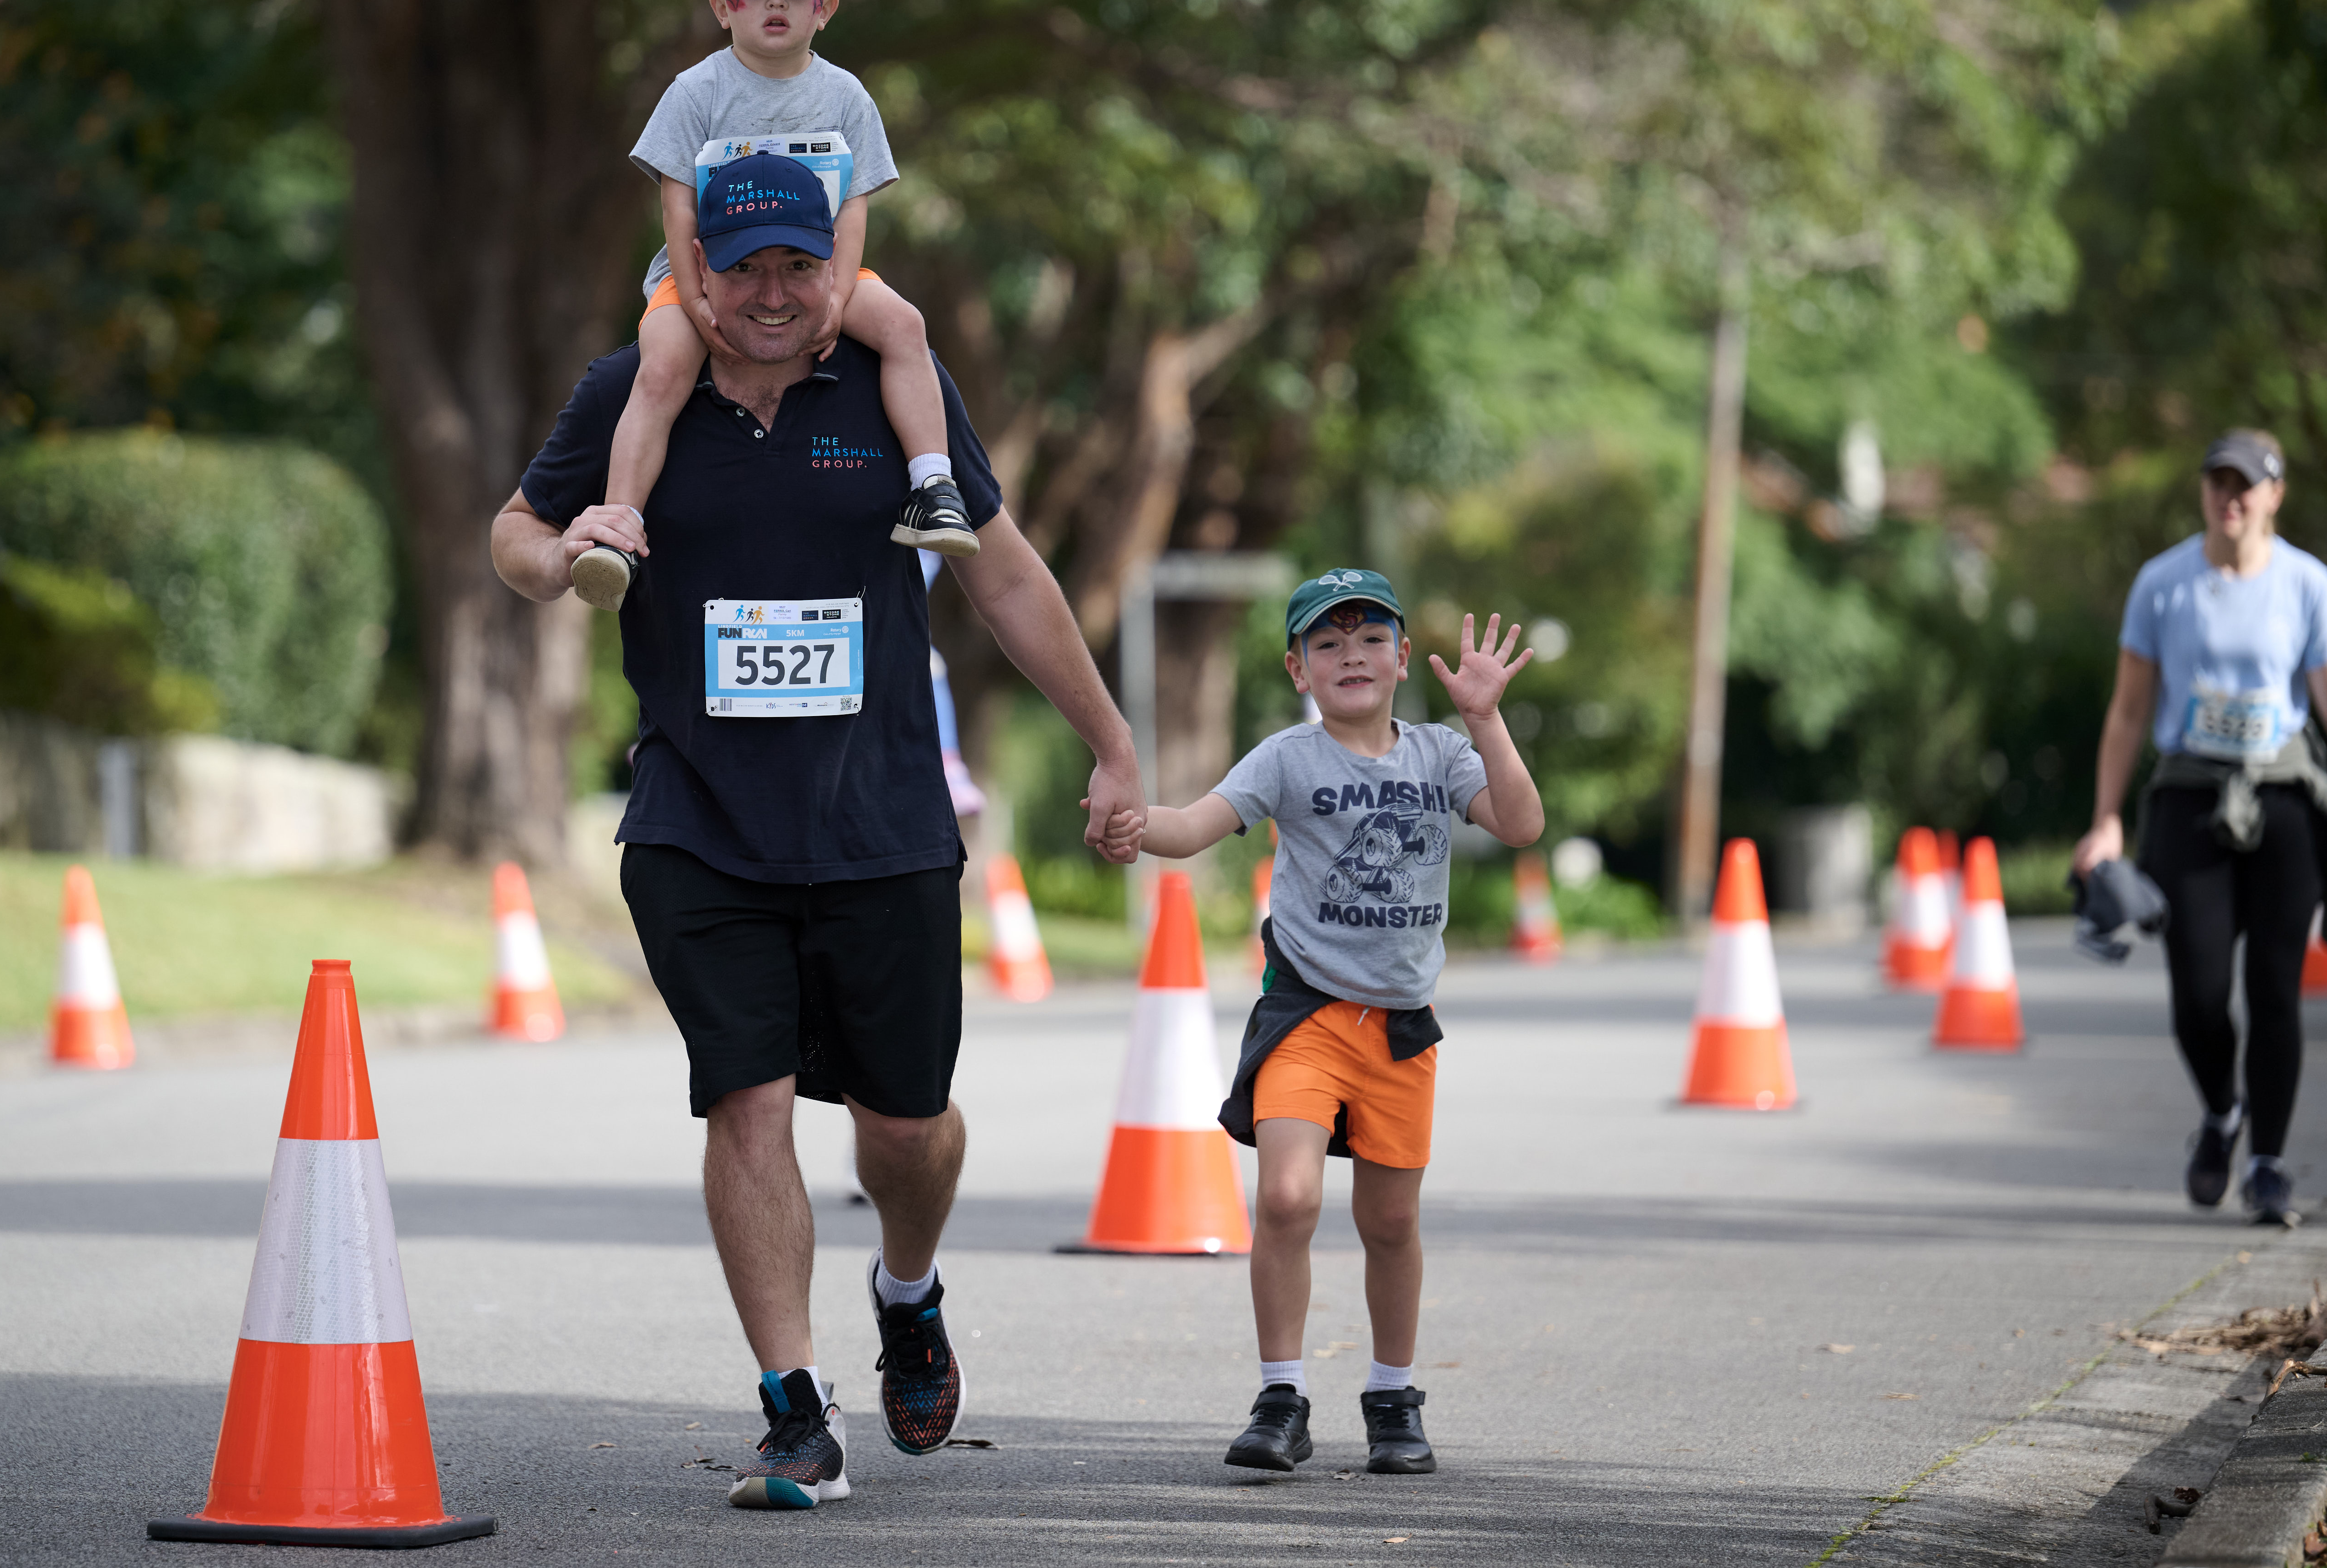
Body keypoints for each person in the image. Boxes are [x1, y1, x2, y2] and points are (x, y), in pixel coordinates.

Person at [491, 224, 1144, 1511]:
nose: (774, 296)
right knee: (750, 1102)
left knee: (907, 1128)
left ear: (838, 276)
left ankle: (908, 1290)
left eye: (802, 269)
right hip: (698, 820)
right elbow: (515, 528)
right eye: (744, 271)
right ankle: (795, 1410)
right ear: (696, 276)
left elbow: (1004, 577)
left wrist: (1111, 744)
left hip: (883, 821)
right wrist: (553, 563)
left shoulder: (893, 390)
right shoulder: (630, 391)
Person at [1133, 569, 1545, 1479]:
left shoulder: (1441, 752)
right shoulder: (1288, 758)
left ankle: (1394, 1397)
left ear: (1402, 658)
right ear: (1297, 669)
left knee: (1390, 1220)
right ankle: (1281, 1396)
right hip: (1307, 1013)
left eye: (1369, 640)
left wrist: (1486, 718)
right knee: (1287, 1199)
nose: (1349, 655)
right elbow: (1196, 823)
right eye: (1327, 643)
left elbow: (1520, 823)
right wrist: (1131, 824)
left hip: (1399, 1025)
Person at [568, 0, 975, 613]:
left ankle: (934, 486)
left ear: (827, 10)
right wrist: (694, 300)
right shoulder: (696, 92)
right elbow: (678, 203)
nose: (775, 1)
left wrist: (841, 298)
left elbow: (853, 207)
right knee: (660, 365)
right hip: (704, 278)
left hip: (821, 278)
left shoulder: (846, 96)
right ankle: (619, 525)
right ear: (723, 8)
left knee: (906, 326)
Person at [2071, 429, 2327, 1227]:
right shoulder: (2163, 585)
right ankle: (2223, 1112)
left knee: (2274, 991)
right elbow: (2126, 712)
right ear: (2204, 491)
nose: (2231, 497)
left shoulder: (2307, 584)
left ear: (2274, 494)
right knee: (2195, 996)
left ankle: (2267, 1166)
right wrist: (2106, 821)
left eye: (2246, 484)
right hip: (2189, 801)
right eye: (2218, 482)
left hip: (2284, 804)